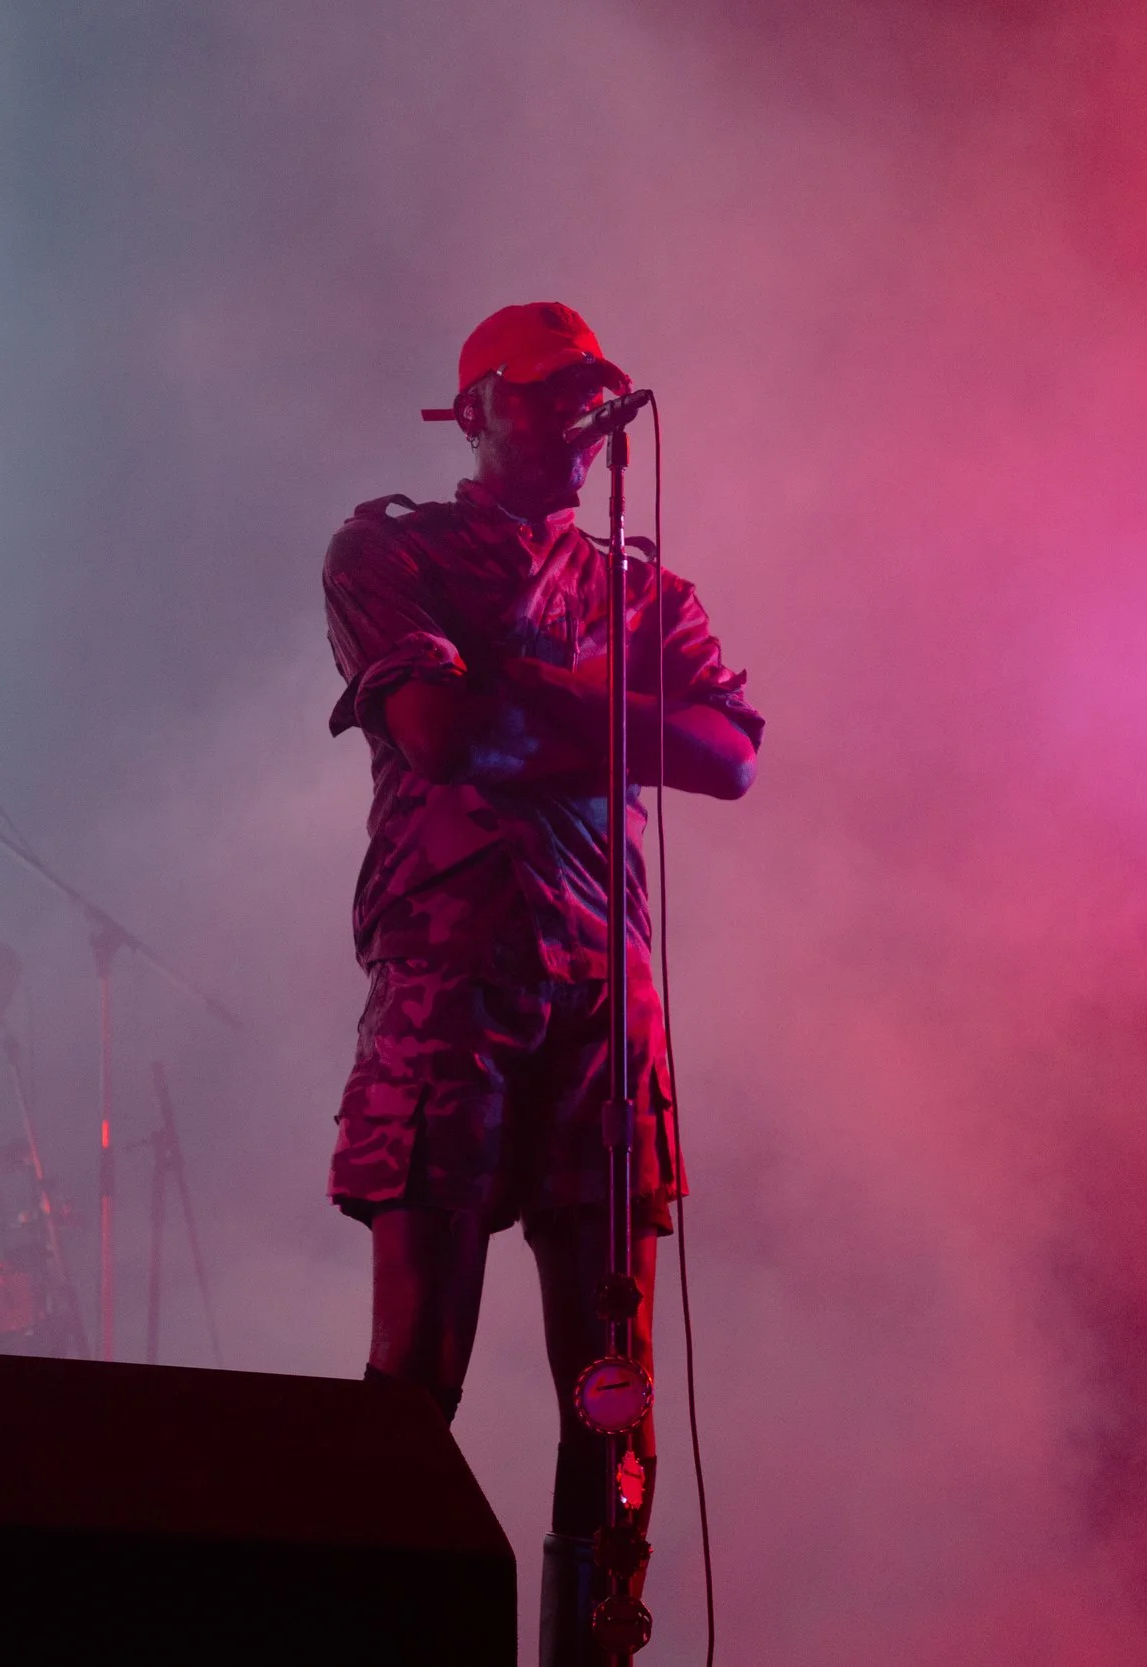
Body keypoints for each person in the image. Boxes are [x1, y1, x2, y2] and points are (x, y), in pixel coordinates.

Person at [321, 302, 761, 1664]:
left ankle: (589, 1647)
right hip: (454, 978)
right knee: (417, 1371)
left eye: (593, 397)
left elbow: (733, 750)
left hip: (599, 1004)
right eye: (546, 395)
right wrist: (616, 711)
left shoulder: (648, 589)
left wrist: (537, 695)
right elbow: (441, 730)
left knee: (608, 1388)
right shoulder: (392, 550)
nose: (579, 420)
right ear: (473, 410)